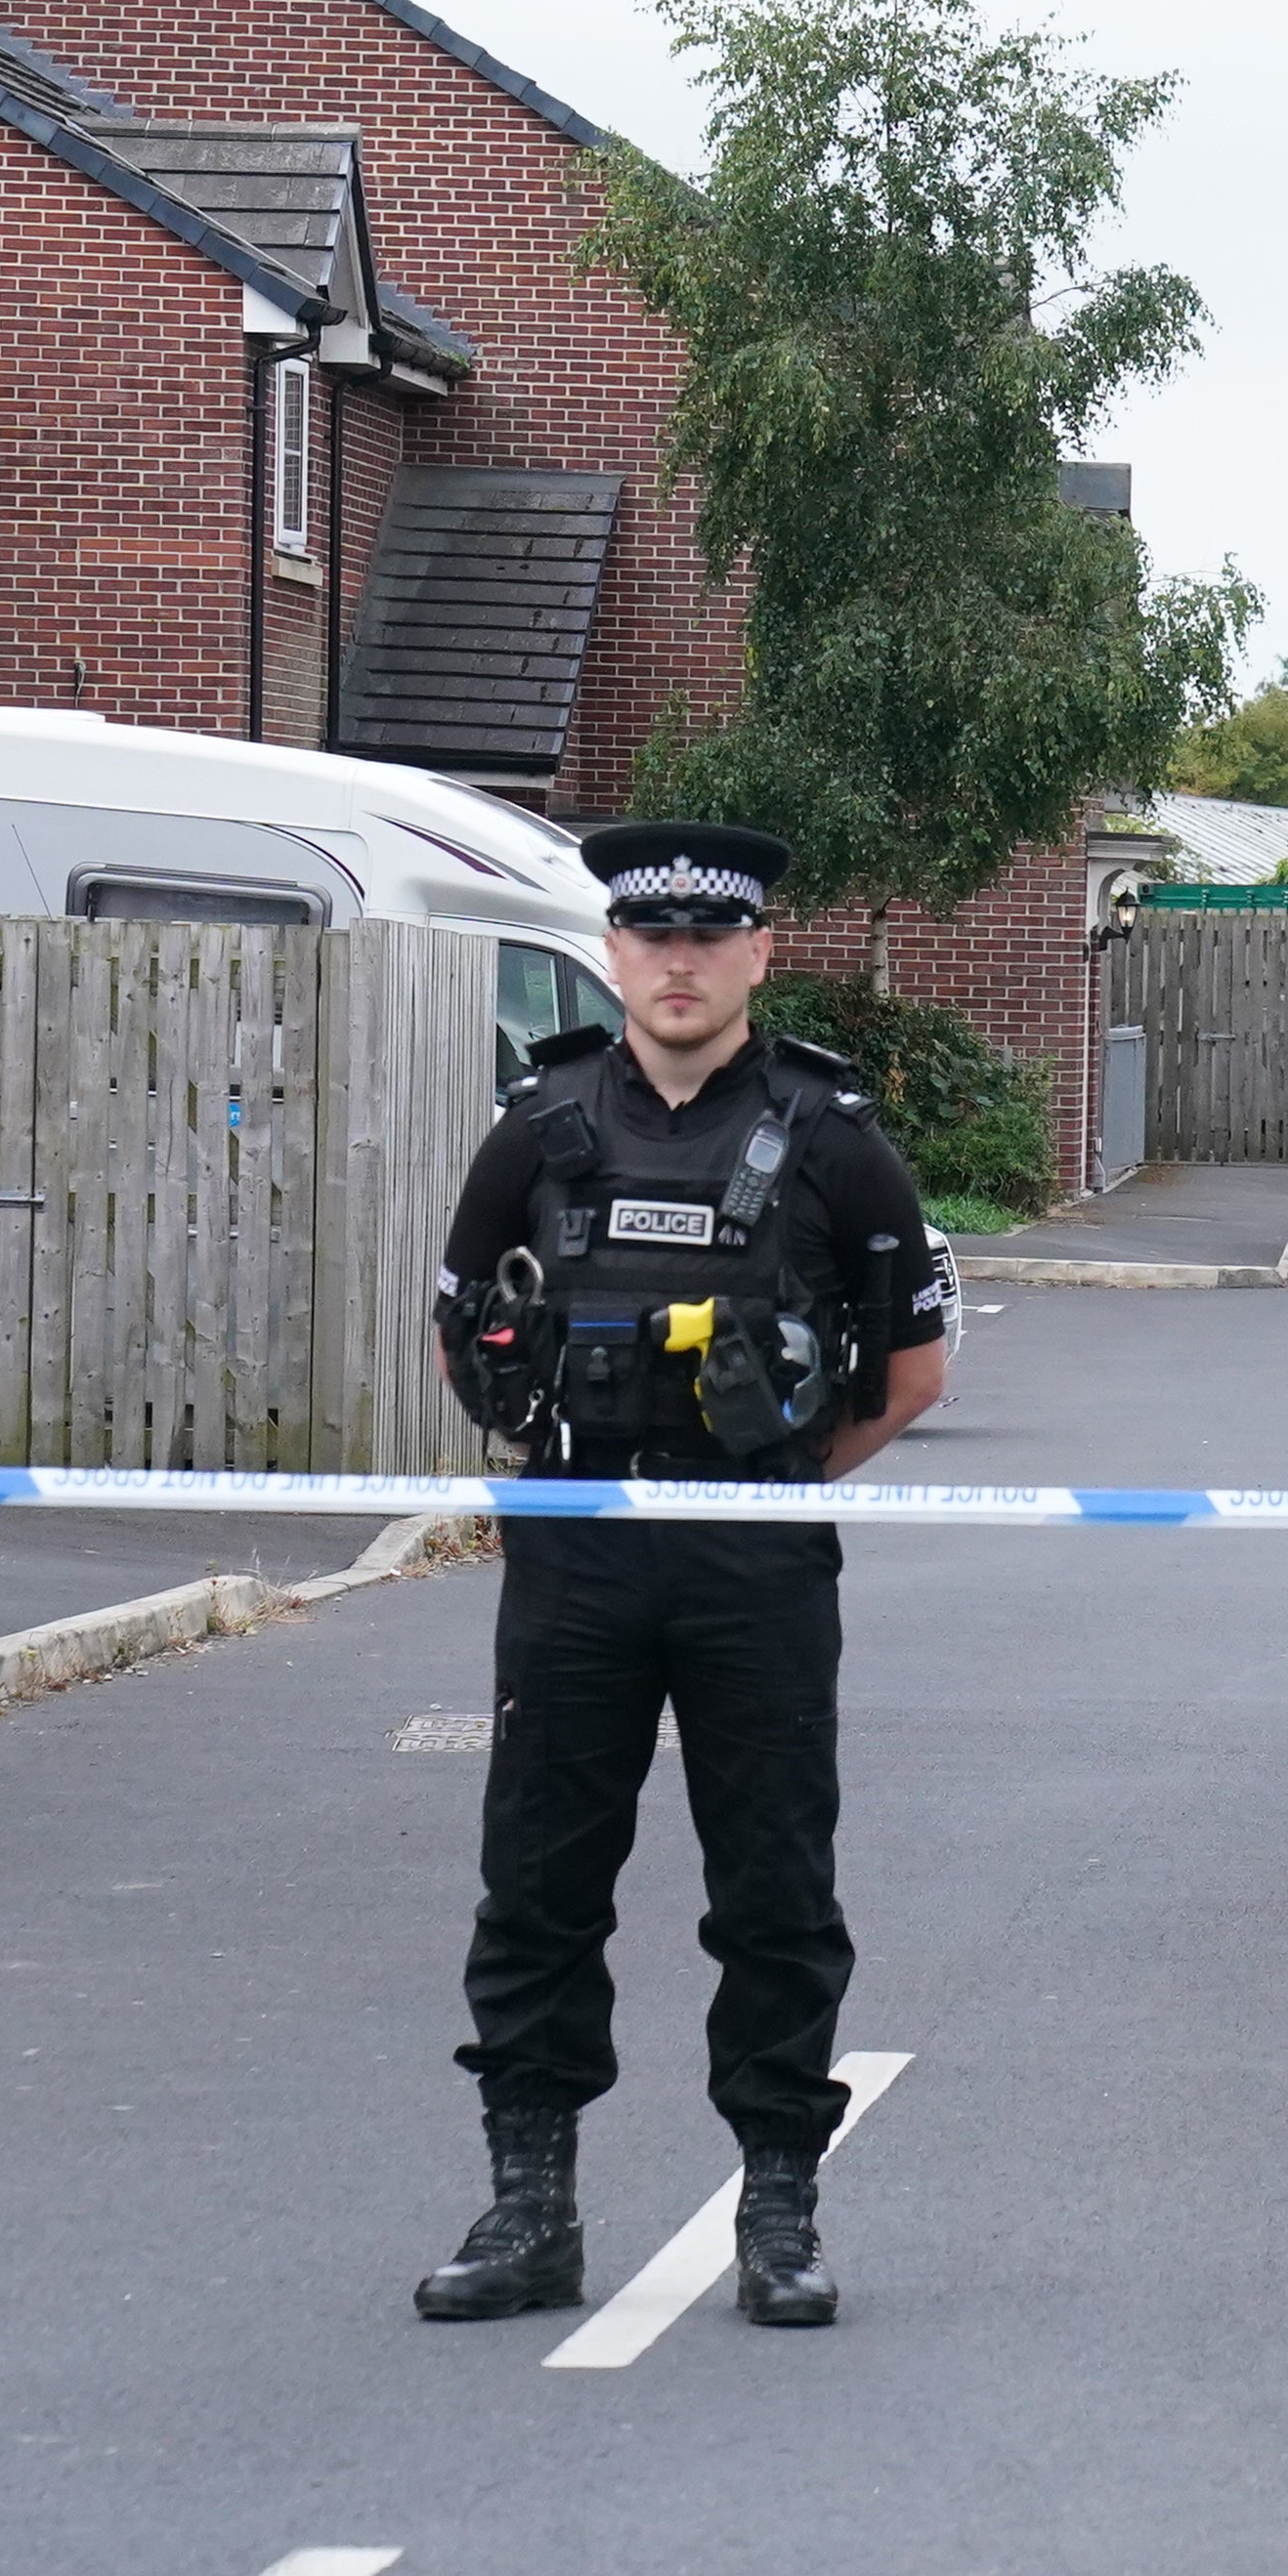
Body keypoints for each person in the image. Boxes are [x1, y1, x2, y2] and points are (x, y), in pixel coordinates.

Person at [413, 821, 953, 2333]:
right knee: (537, 1882)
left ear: (759, 954)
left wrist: (764, 1486)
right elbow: (461, 1335)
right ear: (614, 953)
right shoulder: (536, 1127)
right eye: (652, 937)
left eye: (711, 938)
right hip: (576, 1552)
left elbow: (910, 1373)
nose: (679, 962)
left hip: (751, 1561)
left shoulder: (831, 1137)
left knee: (774, 1887)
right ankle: (531, 2210)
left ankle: (779, 2209)